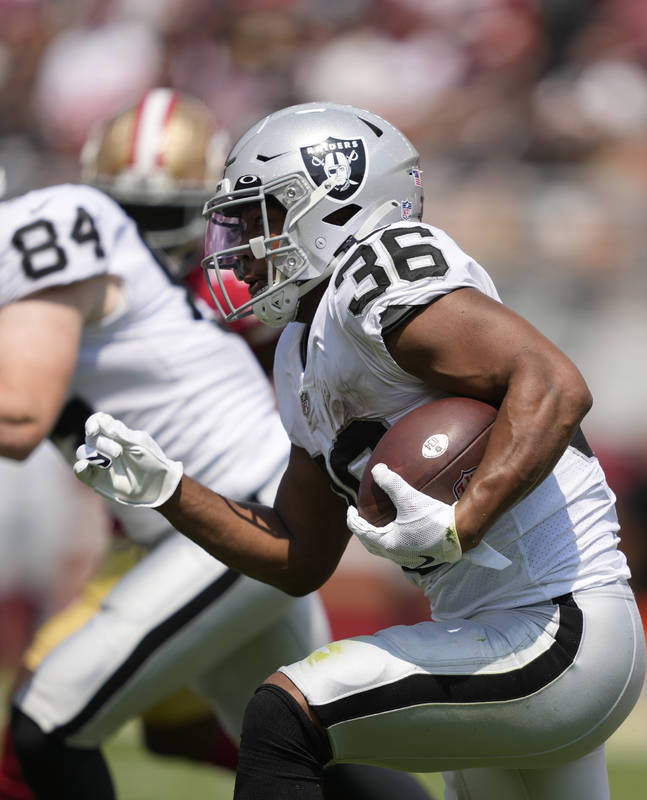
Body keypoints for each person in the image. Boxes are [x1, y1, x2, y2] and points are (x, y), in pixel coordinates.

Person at [72, 101, 646, 800]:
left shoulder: (381, 273)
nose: (241, 245)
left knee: (286, 713)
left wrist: (466, 516)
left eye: (263, 218)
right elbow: (296, 555)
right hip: (496, 634)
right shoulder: (297, 351)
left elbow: (553, 382)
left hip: (559, 627)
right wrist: (171, 492)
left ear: (337, 205)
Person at [0, 89, 430, 800]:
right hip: (196, 520)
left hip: (231, 509)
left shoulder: (52, 227)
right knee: (307, 752)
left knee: (47, 724)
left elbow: (20, 419)